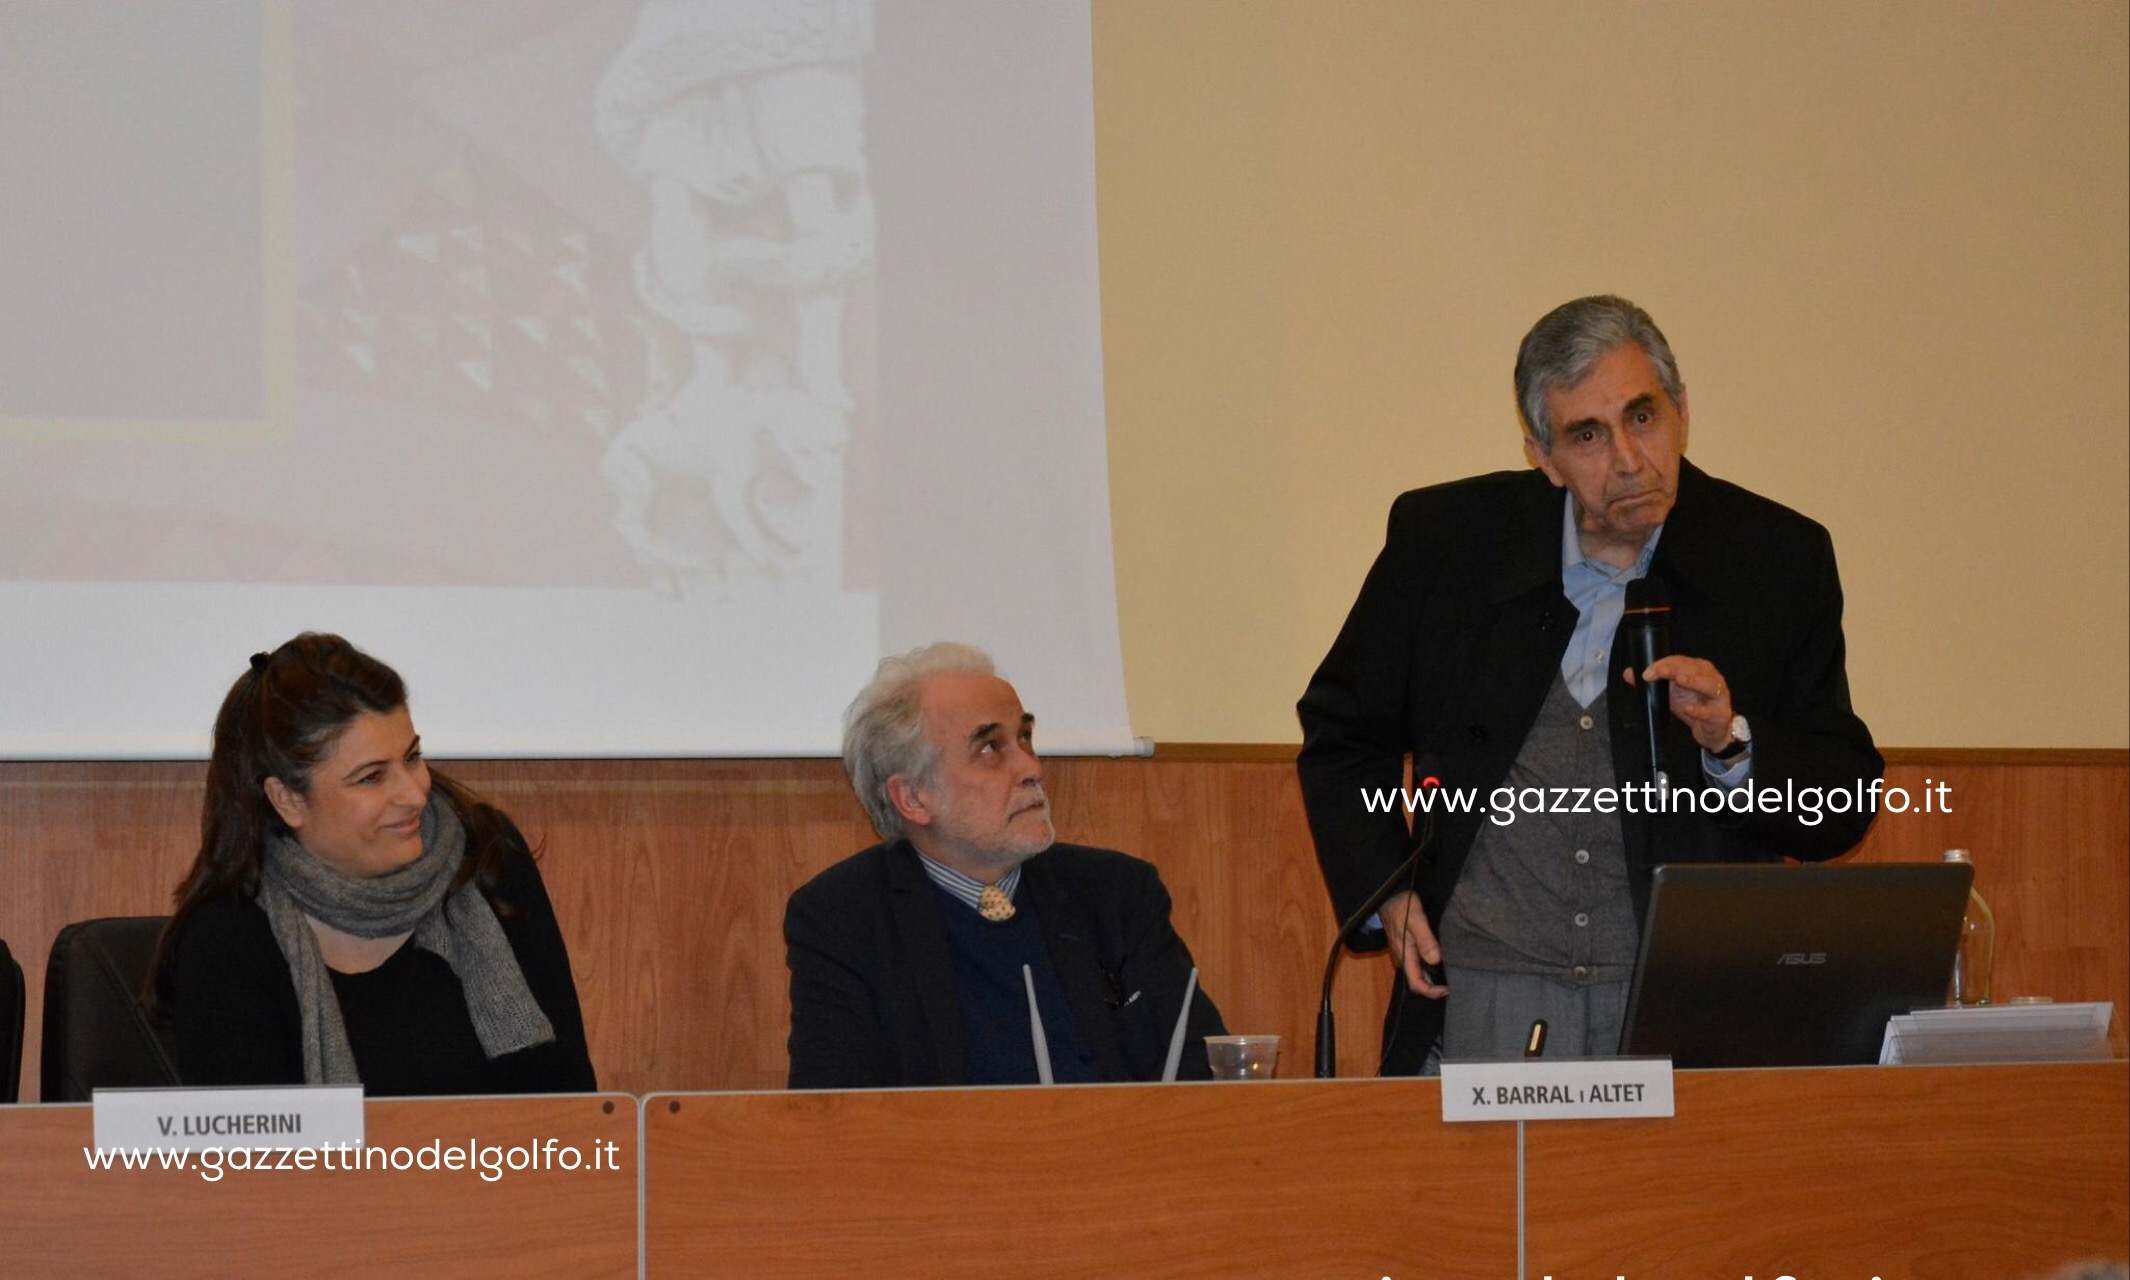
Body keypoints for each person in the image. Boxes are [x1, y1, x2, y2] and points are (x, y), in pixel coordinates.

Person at [1297, 295, 1882, 1072]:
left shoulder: (1775, 560)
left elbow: (1841, 805)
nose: (1629, 459)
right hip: (1486, 997)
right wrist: (1386, 891)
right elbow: (1343, 734)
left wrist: (1732, 742)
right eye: (1588, 435)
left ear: (1681, 411)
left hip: (1686, 1007)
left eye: (1642, 417)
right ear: (1542, 455)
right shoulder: (1447, 546)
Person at [150, 634, 596, 1095]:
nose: (414, 793)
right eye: (371, 777)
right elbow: (252, 1140)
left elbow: (572, 1099)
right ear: (288, 800)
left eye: (412, 757)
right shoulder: (228, 939)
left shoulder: (487, 860)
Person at [785, 642, 1227, 1087]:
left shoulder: (1117, 893)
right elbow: (836, 1110)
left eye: (1025, 738)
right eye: (990, 748)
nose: (1031, 767)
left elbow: (1203, 1068)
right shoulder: (845, 918)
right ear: (914, 798)